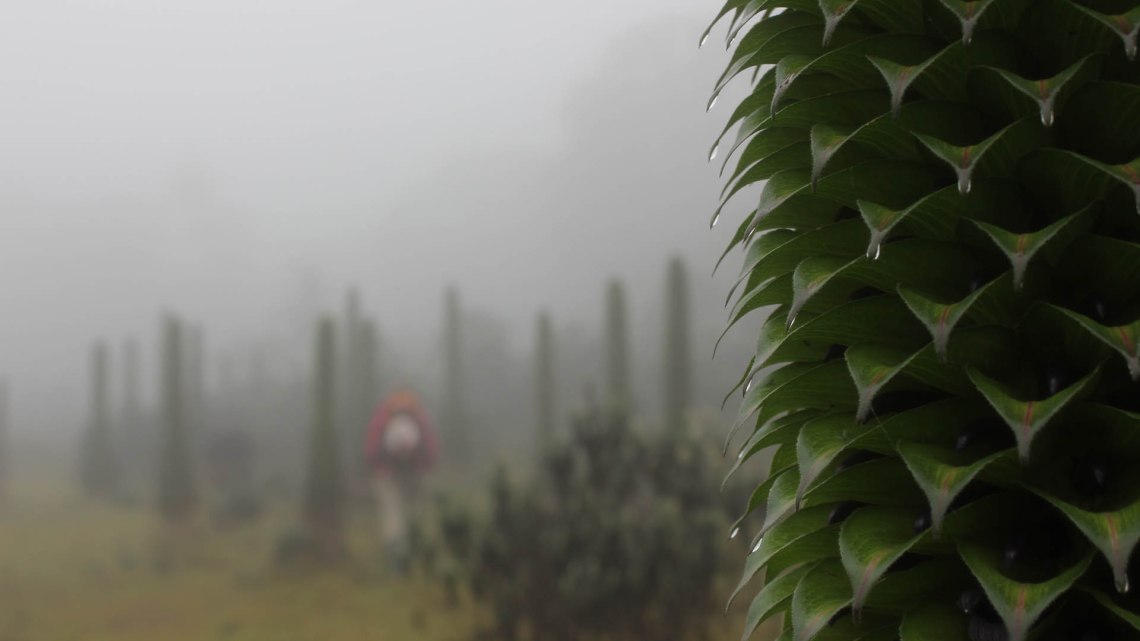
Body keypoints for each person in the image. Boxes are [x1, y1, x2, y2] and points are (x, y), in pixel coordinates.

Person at [363, 389, 439, 574]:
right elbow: (432, 451)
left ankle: (398, 562)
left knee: (393, 518)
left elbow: (371, 452)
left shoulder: (382, 417)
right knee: (417, 514)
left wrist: (382, 464)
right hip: (416, 473)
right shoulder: (420, 417)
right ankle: (418, 556)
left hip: (388, 475)